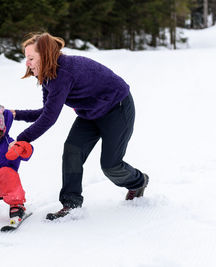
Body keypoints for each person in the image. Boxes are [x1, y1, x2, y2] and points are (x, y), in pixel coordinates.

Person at [11, 32, 149, 221]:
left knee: (111, 165)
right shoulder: (48, 76)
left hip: (117, 109)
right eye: (26, 59)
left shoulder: (63, 74)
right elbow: (46, 111)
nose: (27, 63)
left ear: (46, 55)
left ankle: (138, 182)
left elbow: (49, 118)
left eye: (31, 58)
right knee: (72, 151)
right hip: (90, 113)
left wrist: (21, 139)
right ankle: (71, 204)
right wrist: (15, 114)